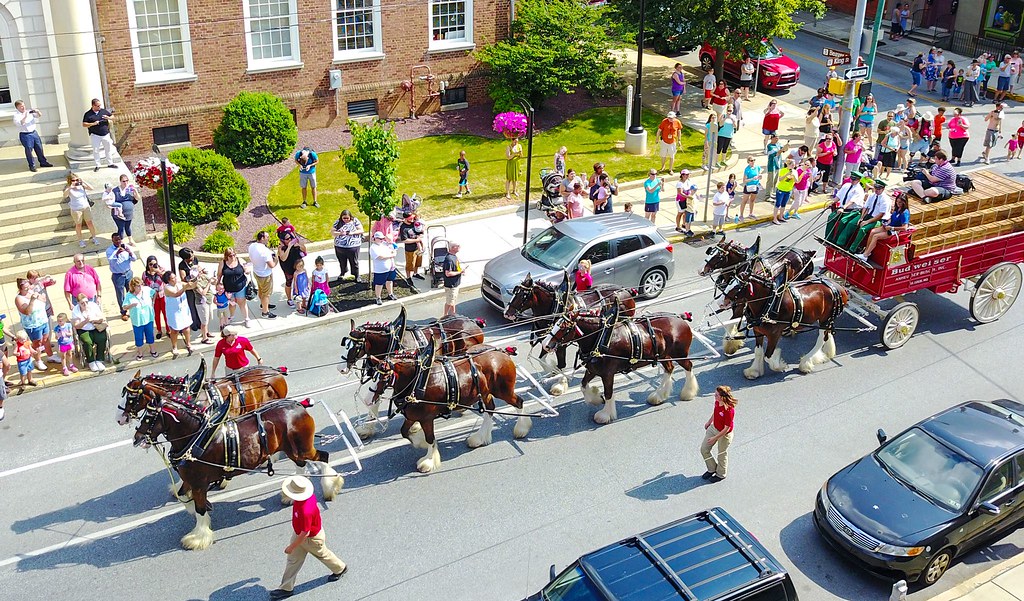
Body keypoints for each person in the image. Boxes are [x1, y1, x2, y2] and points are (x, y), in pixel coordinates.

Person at [268, 475, 347, 600]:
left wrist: (291, 546)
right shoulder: (306, 498)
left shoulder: (305, 510)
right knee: (293, 560)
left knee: (322, 555)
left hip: (310, 539)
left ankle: (340, 568)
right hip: (301, 535)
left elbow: (305, 532)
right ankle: (286, 588)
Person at [857, 193, 912, 261]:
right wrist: (886, 223)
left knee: (876, 236)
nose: (898, 204)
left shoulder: (905, 213)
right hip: (888, 227)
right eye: (897, 202)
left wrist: (892, 228)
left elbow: (904, 227)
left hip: (894, 231)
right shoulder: (897, 209)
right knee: (873, 232)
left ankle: (865, 255)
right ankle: (866, 252)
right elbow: (891, 218)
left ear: (904, 202)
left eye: (900, 202)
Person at [700, 385, 737, 483]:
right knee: (704, 449)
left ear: (722, 397)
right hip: (714, 428)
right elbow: (715, 412)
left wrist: (715, 438)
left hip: (724, 434)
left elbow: (726, 429)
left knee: (721, 454)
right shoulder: (717, 402)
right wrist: (709, 422)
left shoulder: (729, 410)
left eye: (716, 395)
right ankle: (712, 468)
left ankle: (721, 474)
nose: (714, 396)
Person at [14, 277, 52, 370]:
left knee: (46, 339)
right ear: (20, 288)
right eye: (26, 288)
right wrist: (31, 300)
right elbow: (27, 312)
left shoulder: (32, 291)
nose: (28, 289)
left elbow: (43, 300)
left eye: (29, 287)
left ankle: (50, 356)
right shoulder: (19, 299)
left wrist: (40, 296)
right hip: (33, 325)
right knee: (37, 343)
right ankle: (38, 361)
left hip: (43, 320)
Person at [122, 276, 158, 361]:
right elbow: (124, 307)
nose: (140, 287)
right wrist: (131, 305)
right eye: (138, 286)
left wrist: (153, 302)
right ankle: (140, 353)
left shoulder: (146, 289)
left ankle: (152, 350)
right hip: (137, 320)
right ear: (133, 286)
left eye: (141, 284)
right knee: (139, 337)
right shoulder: (129, 295)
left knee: (150, 335)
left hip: (148, 318)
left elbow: (154, 293)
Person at [71, 293, 108, 372]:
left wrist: (94, 320)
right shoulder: (75, 311)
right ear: (78, 303)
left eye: (86, 302)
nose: (85, 304)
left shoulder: (93, 306)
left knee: (102, 338)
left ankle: (99, 359)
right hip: (83, 329)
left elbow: (101, 318)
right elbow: (76, 326)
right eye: (82, 303)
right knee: (87, 341)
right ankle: (91, 361)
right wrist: (86, 321)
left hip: (96, 327)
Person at [162, 270, 195, 358]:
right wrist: (185, 287)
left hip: (183, 309)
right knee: (174, 330)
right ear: (168, 280)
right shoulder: (167, 288)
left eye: (175, 277)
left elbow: (191, 286)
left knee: (186, 327)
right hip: (174, 312)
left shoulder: (180, 283)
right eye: (173, 278)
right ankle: (174, 347)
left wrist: (196, 279)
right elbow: (176, 294)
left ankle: (188, 343)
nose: (175, 279)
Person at [12, 101, 52, 172]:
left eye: (23, 105)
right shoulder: (16, 116)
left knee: (39, 148)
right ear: (17, 108)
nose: (23, 107)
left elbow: (39, 115)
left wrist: (37, 111)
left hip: (34, 133)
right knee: (29, 151)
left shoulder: (29, 111)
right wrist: (25, 116)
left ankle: (43, 162)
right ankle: (32, 165)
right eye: (21, 106)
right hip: (25, 135)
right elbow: (21, 123)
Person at [216, 248, 252, 326]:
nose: (232, 257)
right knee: (232, 304)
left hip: (240, 288)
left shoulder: (240, 260)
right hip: (228, 289)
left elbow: (247, 269)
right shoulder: (222, 263)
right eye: (230, 256)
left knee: (242, 303)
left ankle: (246, 318)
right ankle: (231, 317)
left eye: (234, 255)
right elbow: (219, 275)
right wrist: (217, 284)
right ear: (226, 256)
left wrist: (247, 270)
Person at [105, 233, 136, 322]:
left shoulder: (126, 247)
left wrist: (129, 252)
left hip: (128, 273)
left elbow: (134, 258)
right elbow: (111, 262)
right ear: (112, 240)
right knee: (120, 295)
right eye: (116, 240)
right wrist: (117, 254)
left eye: (119, 239)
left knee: (132, 292)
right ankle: (123, 312)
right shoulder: (109, 250)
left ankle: (133, 309)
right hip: (118, 275)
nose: (118, 241)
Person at [248, 231, 278, 320]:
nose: (268, 239)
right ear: (262, 238)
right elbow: (271, 265)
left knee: (261, 290)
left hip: (256, 272)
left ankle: (264, 304)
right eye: (267, 237)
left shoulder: (252, 246)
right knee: (266, 294)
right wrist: (276, 260)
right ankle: (265, 312)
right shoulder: (265, 251)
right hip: (265, 275)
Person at [63, 174, 99, 248]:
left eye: (76, 180)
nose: (75, 181)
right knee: (78, 225)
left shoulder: (81, 185)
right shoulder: (69, 188)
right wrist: (70, 187)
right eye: (73, 180)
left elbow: (91, 188)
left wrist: (82, 181)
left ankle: (94, 237)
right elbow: (65, 195)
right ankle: (80, 240)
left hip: (86, 207)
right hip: (76, 209)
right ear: (70, 181)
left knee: (90, 223)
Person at [82, 98, 116, 172]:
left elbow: (113, 117)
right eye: (98, 106)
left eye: (100, 105)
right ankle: (98, 165)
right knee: (96, 150)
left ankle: (110, 163)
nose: (99, 107)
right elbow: (84, 124)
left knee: (108, 148)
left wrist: (108, 117)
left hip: (105, 134)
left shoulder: (103, 111)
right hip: (95, 135)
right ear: (93, 106)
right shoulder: (88, 114)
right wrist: (93, 124)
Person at [330, 210, 363, 283]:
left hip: (353, 246)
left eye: (347, 218)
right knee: (342, 261)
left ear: (350, 217)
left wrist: (352, 233)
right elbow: (332, 232)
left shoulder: (355, 221)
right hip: (340, 246)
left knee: (354, 262)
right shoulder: (338, 222)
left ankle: (356, 275)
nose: (345, 220)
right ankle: (343, 272)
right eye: (344, 218)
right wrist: (339, 233)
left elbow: (361, 230)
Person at [277, 230, 307, 306]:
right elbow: (283, 258)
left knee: (300, 280)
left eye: (290, 237)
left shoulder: (295, 243)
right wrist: (289, 247)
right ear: (283, 240)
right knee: (289, 282)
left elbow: (304, 250)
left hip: (297, 264)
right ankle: (289, 299)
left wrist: (298, 245)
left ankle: (301, 297)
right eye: (287, 239)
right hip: (288, 266)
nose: (289, 240)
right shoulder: (281, 248)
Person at [369, 231, 397, 305]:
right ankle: (378, 297)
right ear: (375, 238)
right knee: (379, 284)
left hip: (390, 267)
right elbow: (380, 257)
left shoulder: (385, 244)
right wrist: (391, 255)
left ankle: (390, 294)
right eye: (380, 239)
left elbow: (393, 248)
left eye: (382, 238)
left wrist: (393, 251)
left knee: (390, 281)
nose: (382, 240)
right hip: (380, 270)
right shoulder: (373, 247)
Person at [142, 256, 167, 339]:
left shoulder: (161, 270)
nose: (152, 266)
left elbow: (166, 279)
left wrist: (158, 271)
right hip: (153, 298)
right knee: (156, 315)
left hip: (162, 295)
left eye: (154, 264)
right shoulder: (145, 274)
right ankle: (159, 330)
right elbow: (147, 285)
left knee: (165, 314)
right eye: (150, 264)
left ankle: (168, 330)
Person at [111, 174, 141, 243]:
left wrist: (135, 191)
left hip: (129, 214)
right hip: (118, 214)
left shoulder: (130, 189)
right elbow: (111, 201)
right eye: (123, 181)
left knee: (128, 227)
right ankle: (120, 242)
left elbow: (137, 199)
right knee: (121, 228)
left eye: (127, 181)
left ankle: (130, 240)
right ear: (120, 181)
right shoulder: (115, 191)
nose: (125, 183)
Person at [398, 211, 425, 281]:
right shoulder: (403, 228)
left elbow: (421, 230)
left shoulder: (414, 223)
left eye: (413, 218)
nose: (412, 220)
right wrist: (416, 240)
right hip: (410, 249)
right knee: (410, 264)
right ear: (406, 218)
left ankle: (415, 273)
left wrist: (421, 235)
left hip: (418, 248)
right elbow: (405, 240)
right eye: (410, 218)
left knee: (417, 262)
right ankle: (408, 277)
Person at [442, 242, 463, 318]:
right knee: (449, 302)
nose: (459, 247)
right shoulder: (449, 259)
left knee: (452, 300)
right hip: (451, 285)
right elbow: (448, 273)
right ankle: (444, 317)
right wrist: (459, 272)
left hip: (455, 284)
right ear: (453, 248)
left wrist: (460, 271)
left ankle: (453, 314)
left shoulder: (454, 256)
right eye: (458, 246)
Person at [773, 160, 796, 225]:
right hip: (781, 189)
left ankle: (781, 216)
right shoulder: (783, 170)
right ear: (788, 165)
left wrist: (794, 176)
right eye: (792, 165)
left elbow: (796, 181)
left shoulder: (795, 171)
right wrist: (787, 174)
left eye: (794, 165)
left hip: (788, 190)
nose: (793, 166)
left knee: (784, 204)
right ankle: (775, 218)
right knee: (778, 204)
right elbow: (780, 179)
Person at [675, 170, 698, 236]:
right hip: (681, 200)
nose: (688, 176)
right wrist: (688, 197)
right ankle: (678, 227)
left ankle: (684, 224)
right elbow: (680, 193)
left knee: (686, 213)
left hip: (687, 200)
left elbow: (691, 189)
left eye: (688, 174)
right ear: (682, 175)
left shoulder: (688, 181)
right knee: (680, 213)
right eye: (686, 174)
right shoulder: (679, 183)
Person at [739, 157, 761, 221]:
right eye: (751, 160)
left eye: (754, 160)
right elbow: (744, 180)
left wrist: (759, 177)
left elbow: (758, 174)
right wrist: (752, 179)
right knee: (744, 201)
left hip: (755, 185)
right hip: (748, 186)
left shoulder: (757, 167)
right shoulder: (747, 169)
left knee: (752, 200)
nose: (753, 161)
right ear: (748, 162)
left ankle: (751, 213)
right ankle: (741, 215)